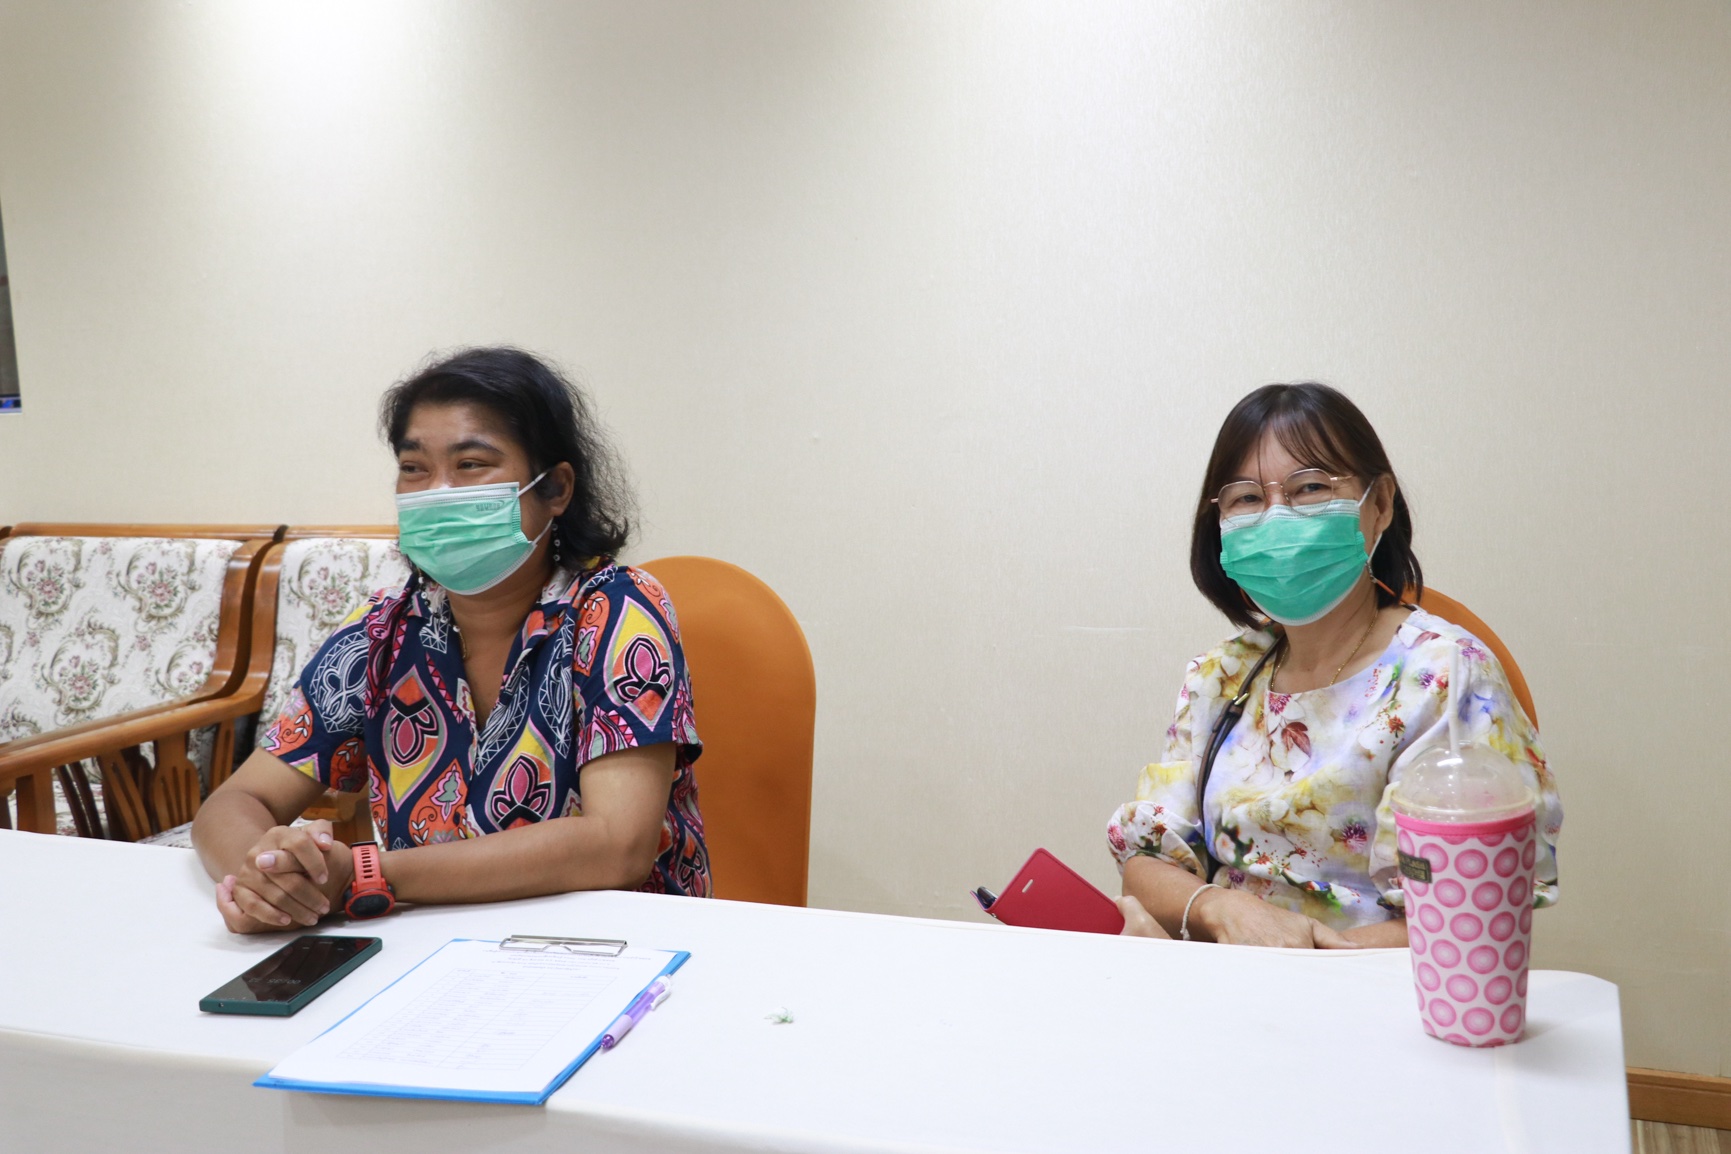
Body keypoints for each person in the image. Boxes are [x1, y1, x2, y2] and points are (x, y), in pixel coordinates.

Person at [192, 348, 708, 933]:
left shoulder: (616, 611)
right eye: (415, 468)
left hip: (618, 945)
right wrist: (269, 879)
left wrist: (368, 875)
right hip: (431, 946)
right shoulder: (383, 633)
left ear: (556, 488)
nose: (438, 491)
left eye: (470, 464)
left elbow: (617, 845)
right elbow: (235, 803)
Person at [1107, 383, 1560, 947]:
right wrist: (1222, 909)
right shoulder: (1219, 677)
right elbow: (1146, 863)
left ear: (1380, 504)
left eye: (1311, 488)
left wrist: (1302, 955)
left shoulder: (1446, 676)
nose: (1277, 518)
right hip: (1226, 979)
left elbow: (1468, 914)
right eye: (1246, 498)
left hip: (1374, 986)